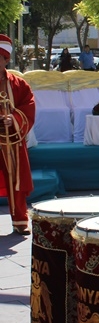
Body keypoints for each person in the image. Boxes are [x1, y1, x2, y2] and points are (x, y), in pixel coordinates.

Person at [0, 35, 36, 235]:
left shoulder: (19, 85)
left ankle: (20, 221)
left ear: (6, 60)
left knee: (16, 180)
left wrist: (12, 119)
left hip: (10, 141)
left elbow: (29, 106)